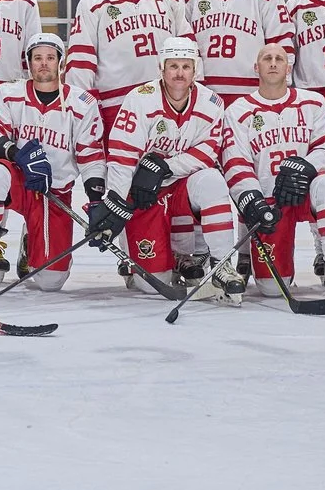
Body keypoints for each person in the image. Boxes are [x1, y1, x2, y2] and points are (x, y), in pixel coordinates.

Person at [81, 37, 241, 299]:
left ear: (195, 69)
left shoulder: (211, 103)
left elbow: (208, 151)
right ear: (162, 68)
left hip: (179, 186)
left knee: (212, 179)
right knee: (151, 284)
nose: (179, 73)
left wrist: (164, 167)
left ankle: (223, 265)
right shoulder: (141, 99)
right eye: (173, 66)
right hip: (144, 195)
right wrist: (115, 204)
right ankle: (149, 259)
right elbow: (123, 155)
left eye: (186, 67)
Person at [0, 31, 103, 292]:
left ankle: (31, 239)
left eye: (50, 58)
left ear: (61, 62)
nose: (43, 63)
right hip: (17, 183)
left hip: (54, 192)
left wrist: (96, 200)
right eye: (37, 58)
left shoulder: (82, 103)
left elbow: (91, 156)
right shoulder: (8, 93)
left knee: (51, 281)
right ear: (28, 62)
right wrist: (16, 154)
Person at [217, 39, 325, 298]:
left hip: (305, 192)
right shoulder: (239, 110)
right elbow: (235, 160)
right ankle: (250, 259)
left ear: (288, 68)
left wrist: (304, 167)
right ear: (256, 68)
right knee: (273, 289)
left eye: (279, 59)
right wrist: (251, 198)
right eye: (267, 59)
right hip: (268, 201)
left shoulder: (314, 102)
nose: (274, 63)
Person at [65, 0, 187, 129]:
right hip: (115, 105)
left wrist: (192, 97)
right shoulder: (92, 5)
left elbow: (189, 52)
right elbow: (81, 63)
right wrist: (79, 111)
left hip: (166, 102)